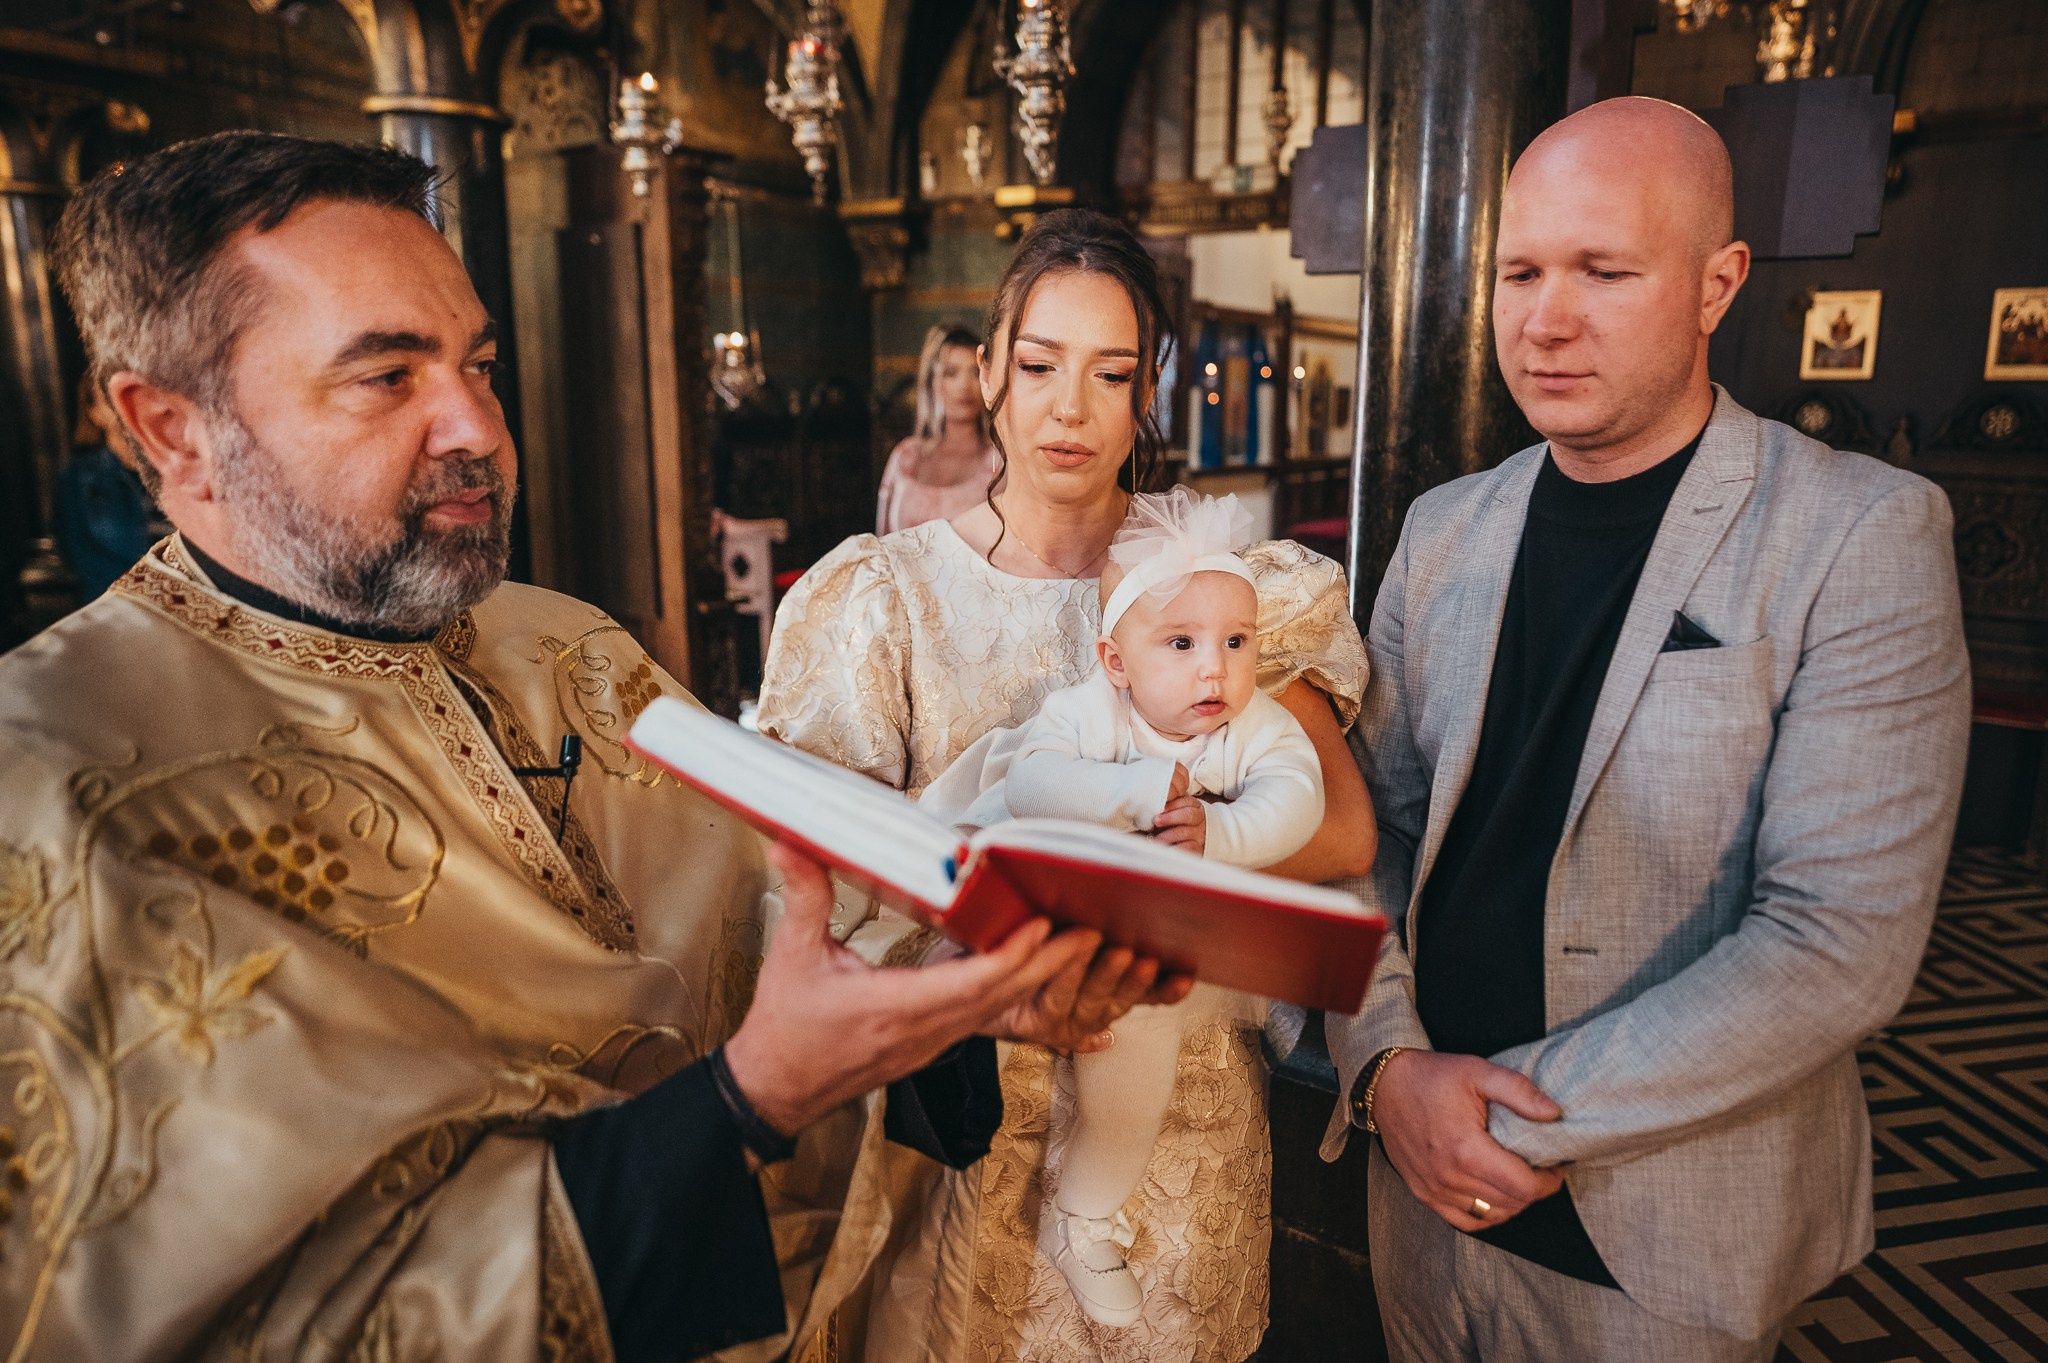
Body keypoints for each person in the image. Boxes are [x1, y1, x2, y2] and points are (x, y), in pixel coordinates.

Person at [4, 131, 1180, 1363]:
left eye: (480, 363)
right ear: (171, 428)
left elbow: (774, 929)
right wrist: (751, 1100)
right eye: (385, 377)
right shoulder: (52, 788)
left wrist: (968, 979)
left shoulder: (567, 647)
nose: (476, 425)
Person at [1322, 96, 1971, 1361]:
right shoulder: (1444, 527)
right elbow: (1366, 828)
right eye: (1518, 270)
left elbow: (1835, 939)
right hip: (1415, 1199)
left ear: (1715, 283)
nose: (1543, 318)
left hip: (1657, 1236)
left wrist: (1502, 1121)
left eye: (1601, 271)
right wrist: (1388, 1065)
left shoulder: (1857, 532)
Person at [759, 208, 1374, 1363]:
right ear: (986, 371)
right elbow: (816, 888)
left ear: (1146, 392)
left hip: (1175, 1121)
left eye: (1109, 373)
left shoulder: (1214, 587)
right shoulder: (886, 598)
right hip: (965, 1106)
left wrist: (1177, 848)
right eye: (1037, 365)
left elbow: (1337, 830)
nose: (1068, 406)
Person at [920, 486, 1324, 1328]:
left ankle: (1087, 1207)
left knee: (1140, 1039)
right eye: (1181, 642)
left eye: (1236, 642)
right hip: (1034, 885)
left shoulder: (1253, 724)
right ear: (1116, 661)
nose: (1215, 668)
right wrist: (1136, 787)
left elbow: (1301, 799)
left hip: (1142, 928)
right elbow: (1033, 783)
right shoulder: (1086, 711)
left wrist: (1222, 829)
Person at [875, 324, 1005, 534]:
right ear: (932, 381)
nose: (964, 385)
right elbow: (881, 542)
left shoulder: (998, 463)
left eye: (974, 372)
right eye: (951, 373)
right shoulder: (906, 455)